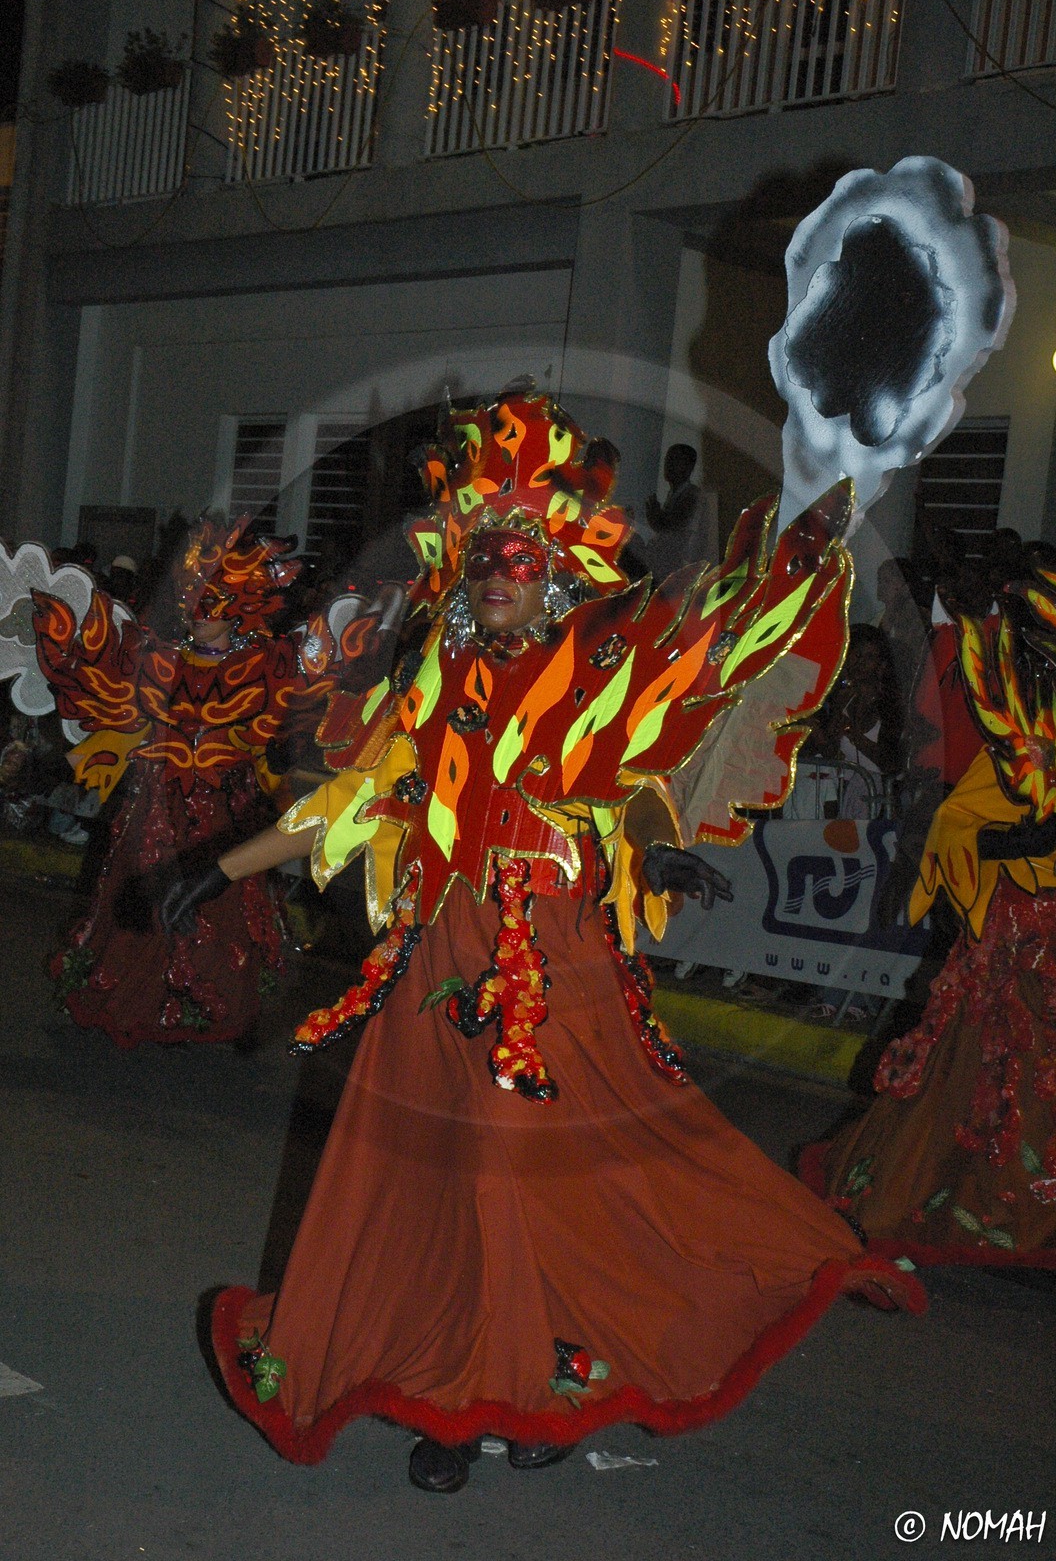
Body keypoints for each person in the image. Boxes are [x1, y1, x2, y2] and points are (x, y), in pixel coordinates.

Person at [162, 390, 923, 1492]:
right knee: (436, 1176)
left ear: (558, 572)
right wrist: (217, 866)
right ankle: (457, 1384)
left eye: (518, 559)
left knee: (525, 1170)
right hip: (441, 954)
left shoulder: (596, 668)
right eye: (481, 558)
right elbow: (356, 801)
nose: (496, 574)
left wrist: (657, 851)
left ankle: (523, 1378)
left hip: (551, 954)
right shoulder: (433, 680)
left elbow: (656, 751)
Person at [32, 517, 397, 1048]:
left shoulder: (267, 664)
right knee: (141, 899)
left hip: (226, 809)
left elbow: (313, 702)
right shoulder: (155, 658)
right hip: (155, 807)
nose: (202, 612)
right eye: (195, 598)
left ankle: (205, 1003)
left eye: (216, 600)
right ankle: (141, 1001)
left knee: (221, 905)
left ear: (241, 604)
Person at [800, 557, 1056, 1268]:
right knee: (985, 1069)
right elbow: (962, 819)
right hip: (1014, 934)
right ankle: (956, 1202)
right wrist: (1014, 840)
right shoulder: (1021, 736)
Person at [644, 442, 714, 580]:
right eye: (667, 459)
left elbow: (675, 534)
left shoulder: (692, 495)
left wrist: (657, 518)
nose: (668, 465)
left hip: (679, 571)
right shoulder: (675, 494)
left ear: (688, 467)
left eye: (675, 460)